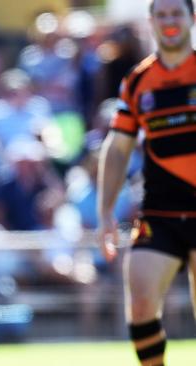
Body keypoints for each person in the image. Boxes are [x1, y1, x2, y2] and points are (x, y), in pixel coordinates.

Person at [97, 0, 196, 365]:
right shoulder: (138, 80)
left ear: (192, 19)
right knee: (140, 306)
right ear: (151, 22)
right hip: (160, 211)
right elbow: (118, 147)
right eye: (162, 15)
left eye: (177, 14)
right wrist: (106, 213)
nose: (170, 22)